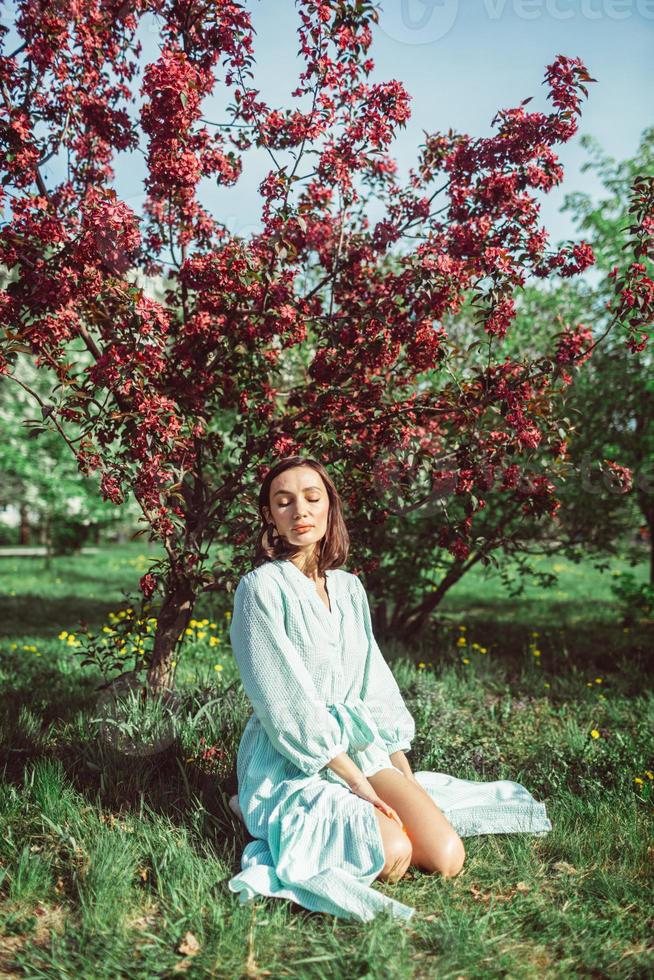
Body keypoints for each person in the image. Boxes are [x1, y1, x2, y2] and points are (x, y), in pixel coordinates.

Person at [227, 455, 552, 922]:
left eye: (312, 498)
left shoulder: (349, 587)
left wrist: (400, 774)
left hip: (359, 744)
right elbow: (284, 704)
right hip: (296, 756)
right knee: (394, 854)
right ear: (270, 517)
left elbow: (372, 681)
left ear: (329, 509)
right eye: (284, 502)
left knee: (445, 857)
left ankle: (365, 811)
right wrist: (360, 786)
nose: (300, 510)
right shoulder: (259, 589)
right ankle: (252, 806)